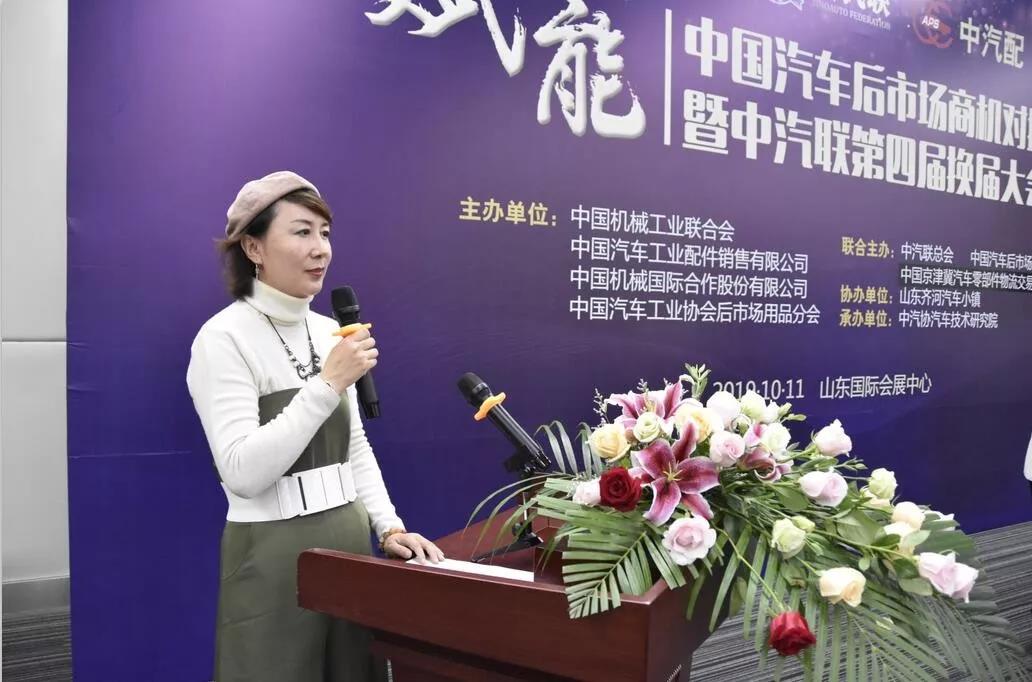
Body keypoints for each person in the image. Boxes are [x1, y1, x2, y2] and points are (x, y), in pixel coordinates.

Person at [187, 171, 444, 682]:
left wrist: (388, 526)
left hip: (349, 542)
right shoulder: (223, 338)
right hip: (272, 553)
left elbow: (355, 447)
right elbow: (241, 472)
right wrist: (327, 385)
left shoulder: (330, 331)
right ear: (254, 247)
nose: (320, 248)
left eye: (325, 233)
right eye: (302, 232)